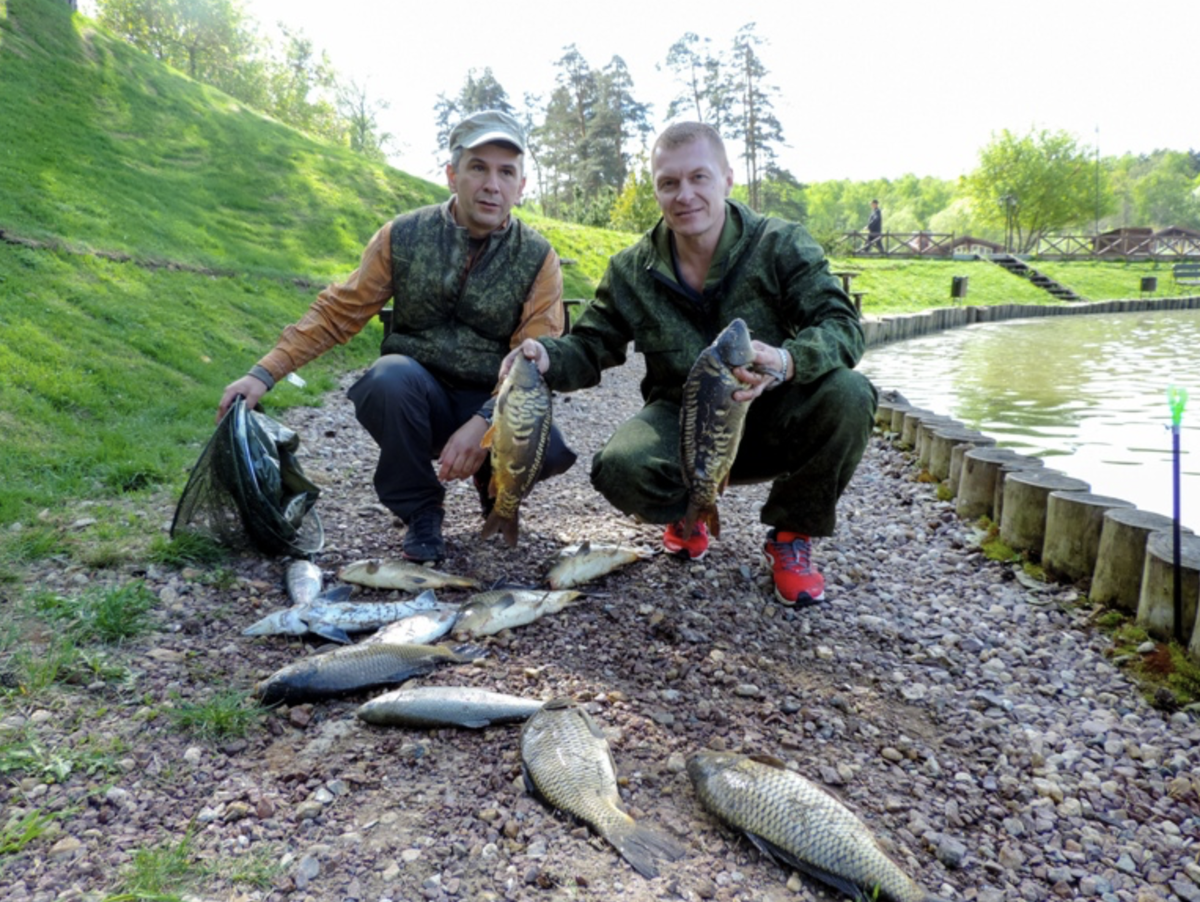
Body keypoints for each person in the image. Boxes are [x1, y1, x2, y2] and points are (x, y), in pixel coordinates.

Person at [500, 122, 876, 607]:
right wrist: (546, 354)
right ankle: (690, 509)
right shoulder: (630, 270)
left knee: (850, 393)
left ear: (727, 179)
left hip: (771, 415)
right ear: (656, 189)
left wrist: (786, 361)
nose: (685, 195)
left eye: (699, 178)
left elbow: (842, 326)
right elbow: (592, 345)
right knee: (618, 468)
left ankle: (791, 534)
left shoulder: (781, 244)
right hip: (681, 423)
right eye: (669, 183)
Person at [218, 109, 576, 564]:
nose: (492, 185)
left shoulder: (540, 258)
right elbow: (337, 311)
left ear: (522, 186)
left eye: (507, 173)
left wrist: (483, 422)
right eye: (478, 168)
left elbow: (532, 360)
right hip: (414, 393)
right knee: (387, 378)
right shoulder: (402, 235)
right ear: (452, 175)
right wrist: (263, 374)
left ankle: (496, 490)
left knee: (550, 445)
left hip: (487, 397)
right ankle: (421, 510)